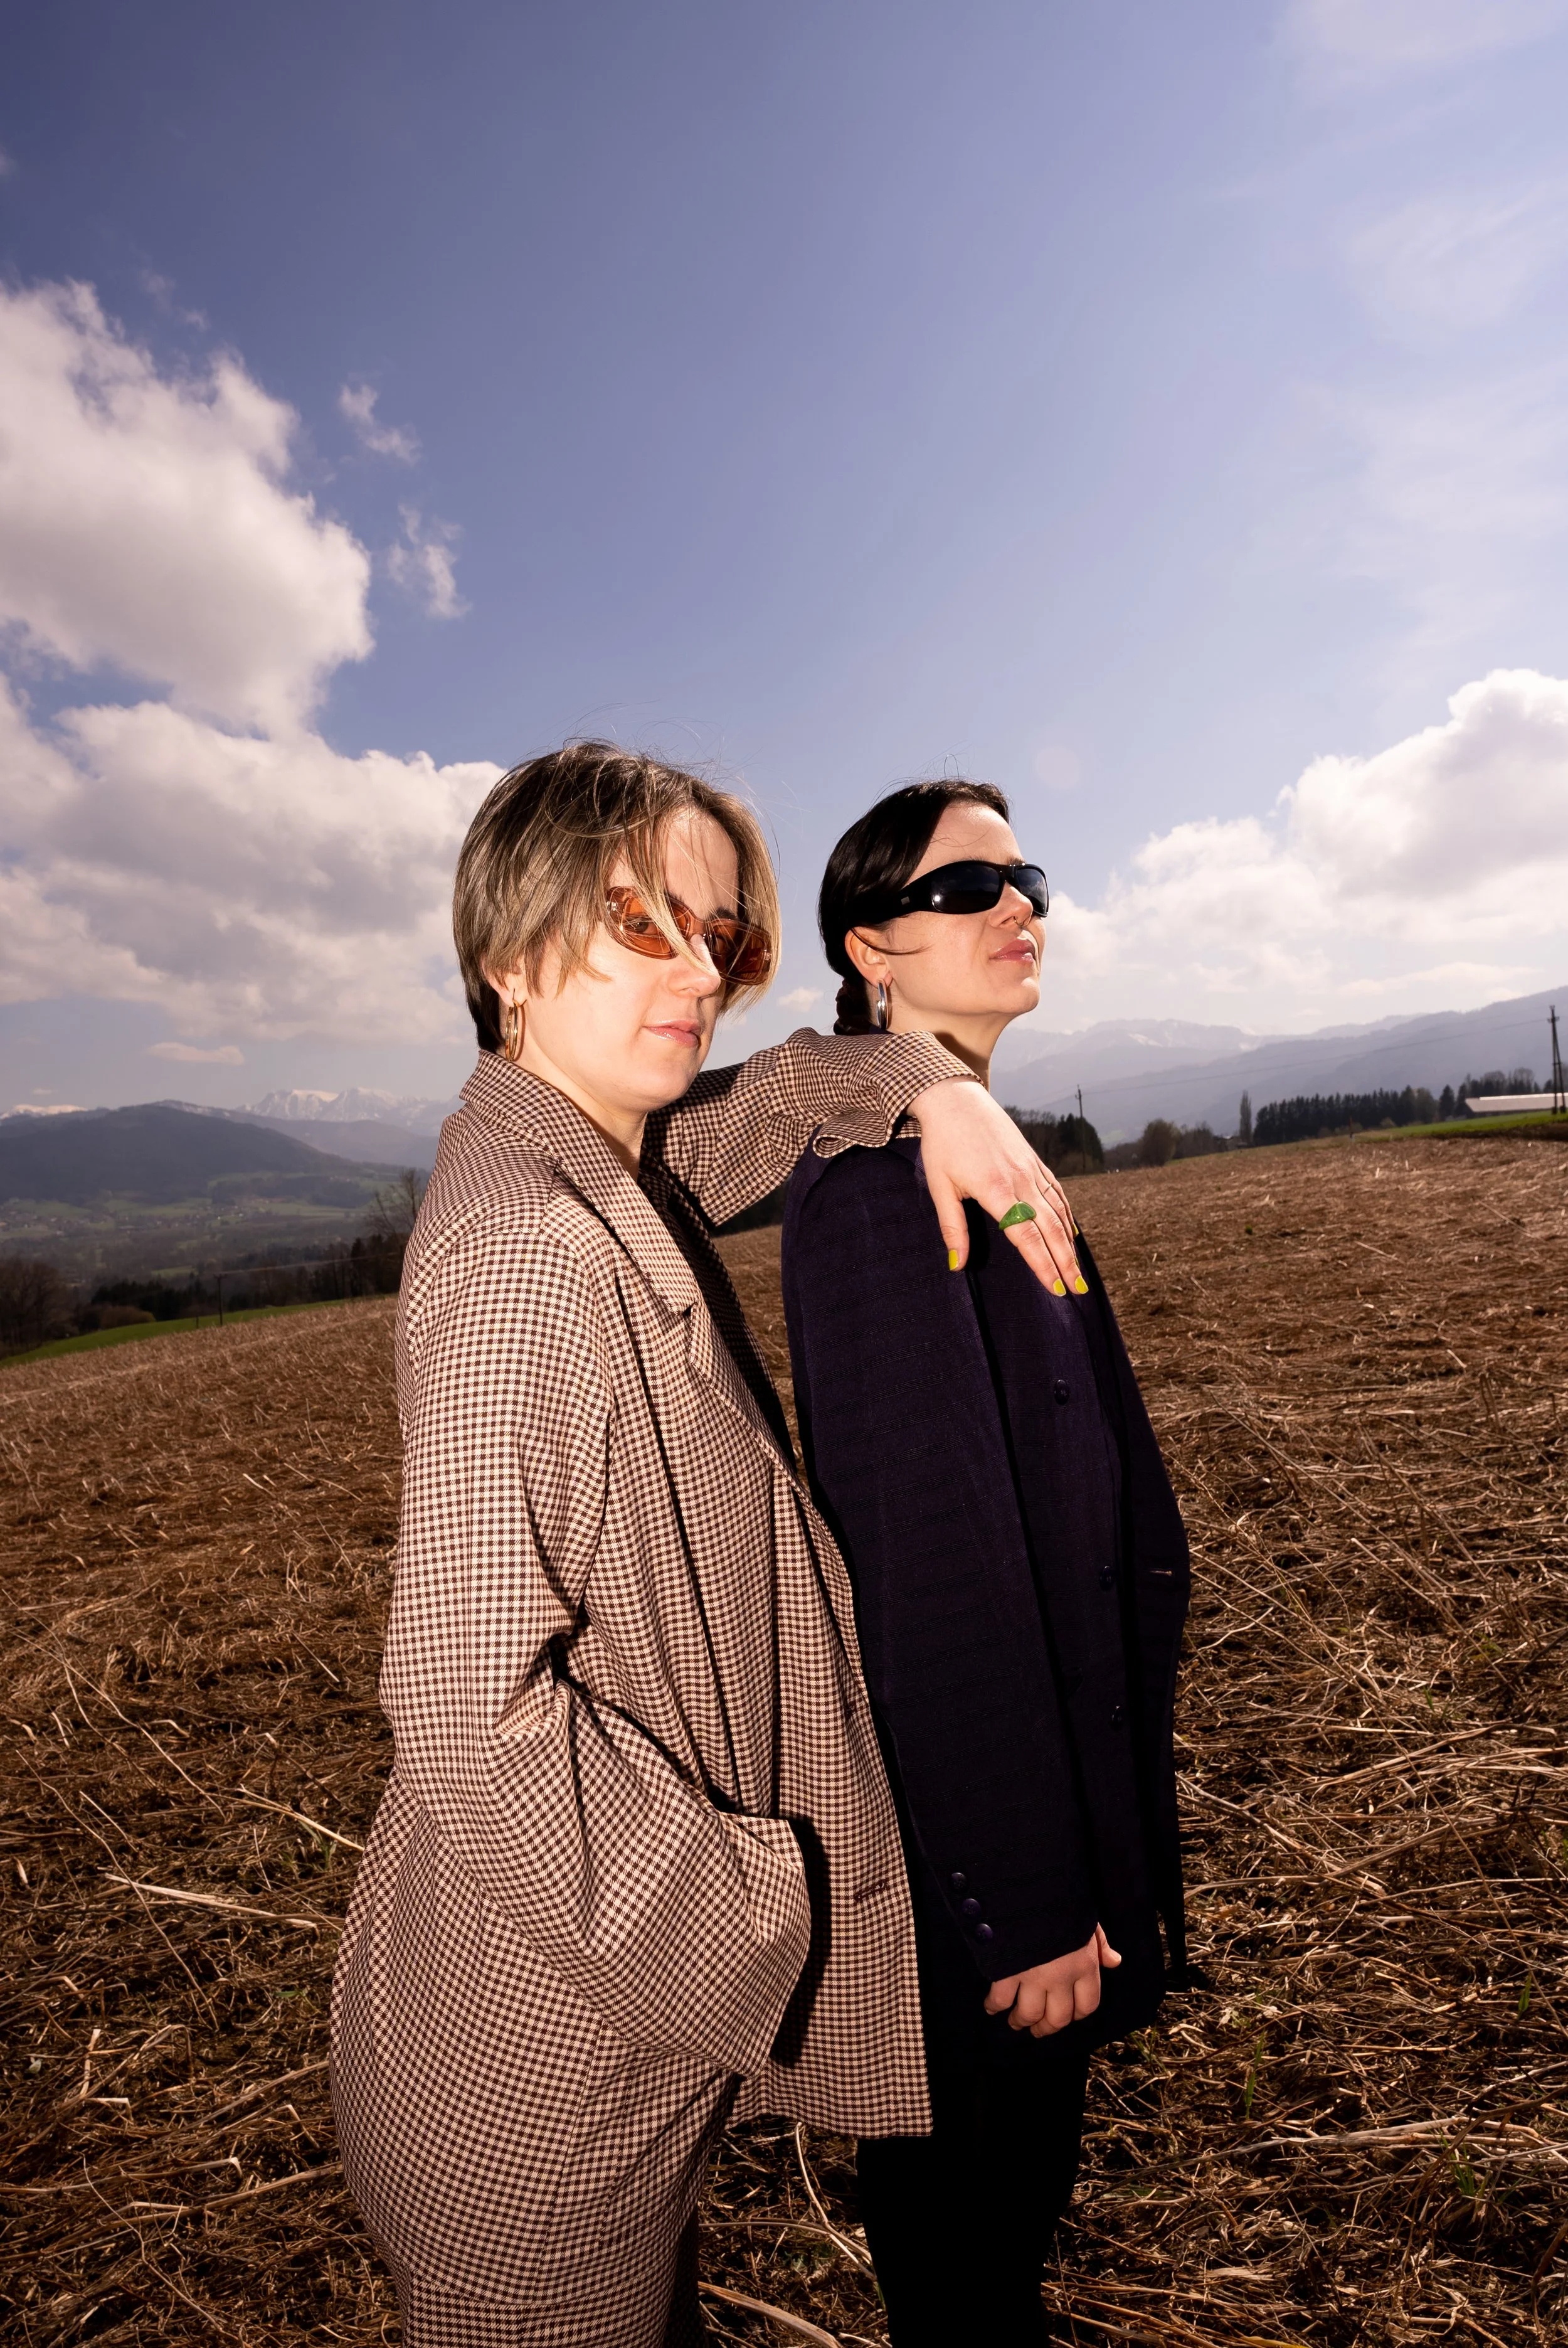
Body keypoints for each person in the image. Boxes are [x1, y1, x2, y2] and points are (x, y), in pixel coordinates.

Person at [329, 744, 1088, 2348]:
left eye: (718, 936)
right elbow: (464, 1705)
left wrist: (932, 1084)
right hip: (531, 2083)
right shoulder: (527, 1249)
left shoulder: (600, 1152)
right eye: (637, 922)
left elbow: (798, 1088)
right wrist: (755, 1911)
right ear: (508, 947)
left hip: (581, 2033)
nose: (693, 974)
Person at [780, 780, 1190, 2347]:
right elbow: (928, 1564)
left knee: (1000, 2242)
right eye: (968, 887)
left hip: (1055, 1803)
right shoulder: (887, 1191)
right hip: (989, 1885)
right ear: (868, 947)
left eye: (1024, 874)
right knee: (966, 2265)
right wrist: (1020, 1899)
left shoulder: (971, 1142)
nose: (1020, 902)